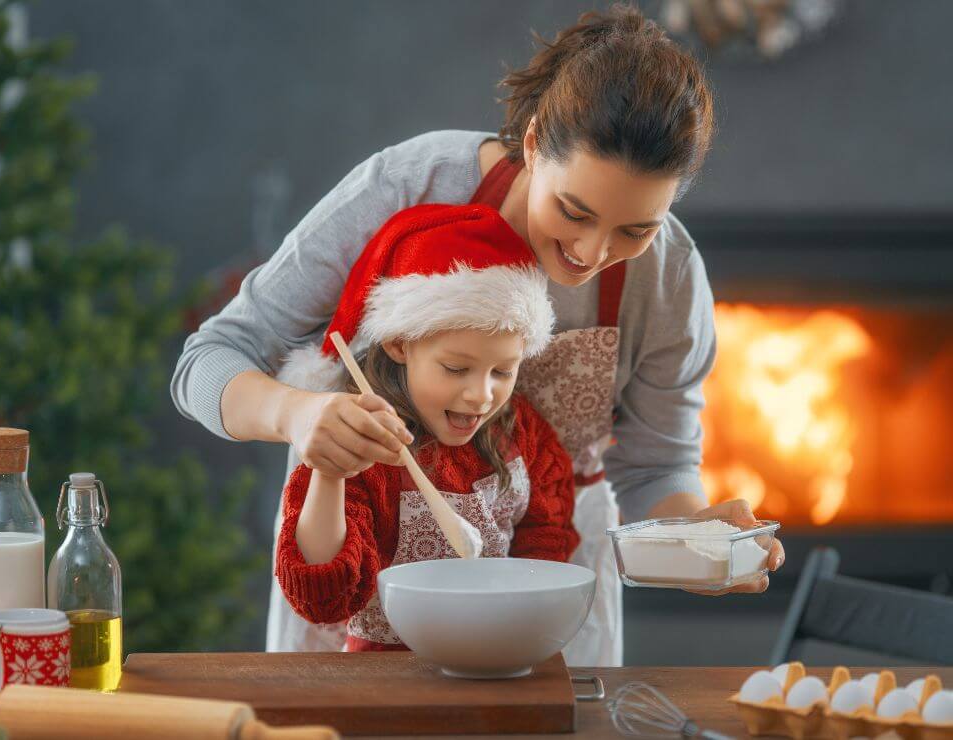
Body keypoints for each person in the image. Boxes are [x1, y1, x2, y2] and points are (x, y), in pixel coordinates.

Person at [170, 5, 786, 665]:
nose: (591, 253)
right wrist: (296, 414)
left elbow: (656, 467)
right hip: (353, 574)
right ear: (534, 143)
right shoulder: (413, 184)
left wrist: (694, 537)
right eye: (573, 211)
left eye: (635, 230)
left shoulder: (669, 277)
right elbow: (207, 361)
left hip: (552, 584)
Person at [274, 203, 580, 650]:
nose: (481, 395)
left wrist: (529, 617)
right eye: (456, 369)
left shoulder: (522, 434)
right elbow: (325, 599)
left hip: (499, 657)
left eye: (502, 371)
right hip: (384, 676)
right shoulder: (361, 442)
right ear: (400, 344)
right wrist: (331, 471)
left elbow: (546, 540)